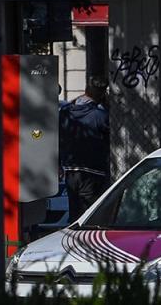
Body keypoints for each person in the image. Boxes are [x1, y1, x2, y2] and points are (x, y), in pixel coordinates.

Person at [59, 76, 110, 223]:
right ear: (102, 94)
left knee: (75, 214)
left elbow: (58, 137)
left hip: (70, 169)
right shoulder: (100, 116)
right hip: (93, 171)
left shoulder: (66, 113)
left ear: (86, 90)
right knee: (92, 214)